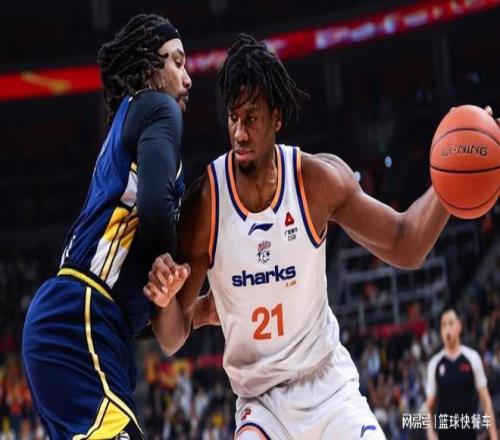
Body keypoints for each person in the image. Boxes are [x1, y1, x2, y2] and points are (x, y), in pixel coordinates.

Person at [144, 34, 498, 439]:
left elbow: (406, 244)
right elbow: (172, 337)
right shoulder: (207, 202)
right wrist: (166, 303)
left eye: (251, 118)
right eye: (233, 118)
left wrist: (450, 185)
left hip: (329, 386)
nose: (239, 132)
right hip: (261, 404)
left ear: (277, 118)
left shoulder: (316, 182)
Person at [22, 13, 191, 439]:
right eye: (176, 62)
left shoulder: (127, 124)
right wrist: (168, 266)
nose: (188, 78)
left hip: (88, 326)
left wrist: (185, 309)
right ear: (149, 69)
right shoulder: (158, 108)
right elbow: (155, 208)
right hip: (81, 318)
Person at [426, 307, 498, 440]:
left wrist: (494, 436)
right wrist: (430, 433)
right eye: (443, 325)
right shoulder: (434, 364)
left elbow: (485, 400)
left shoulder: (472, 358)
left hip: (469, 434)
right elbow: (429, 406)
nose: (447, 329)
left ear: (459, 326)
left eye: (450, 323)